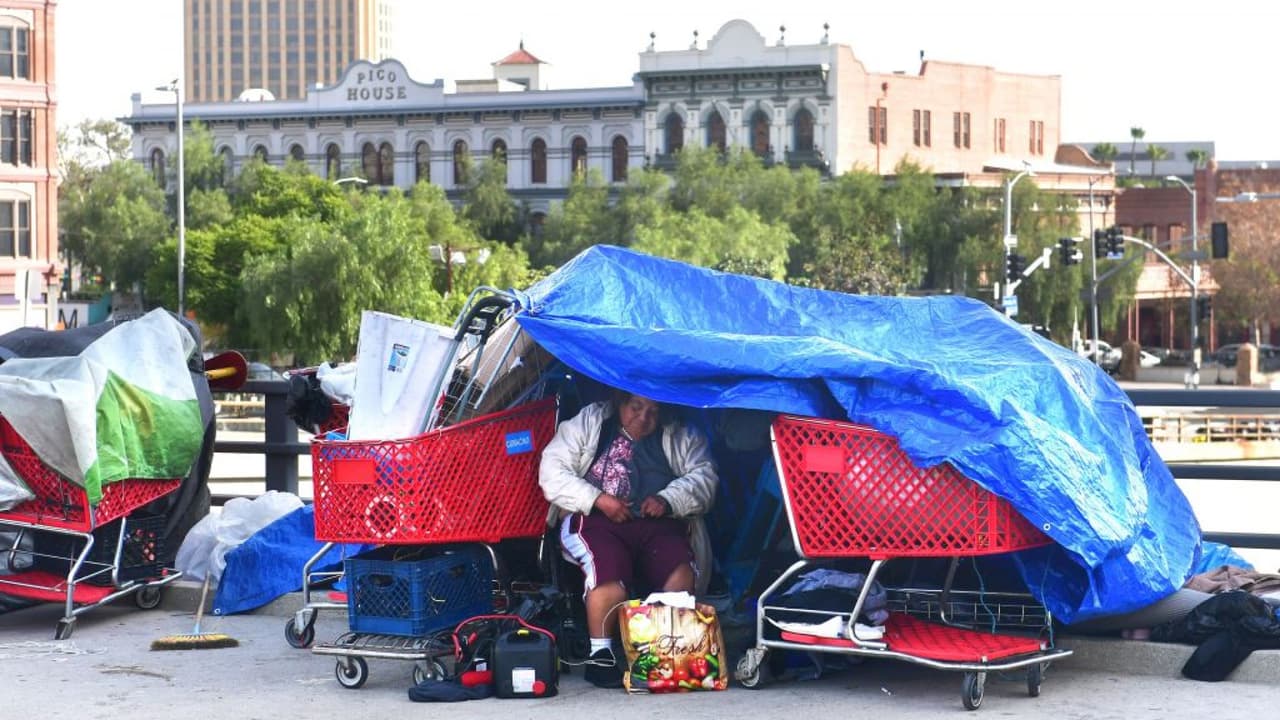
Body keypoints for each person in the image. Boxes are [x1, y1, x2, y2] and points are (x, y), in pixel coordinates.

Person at [539, 389, 718, 688]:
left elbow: (705, 477)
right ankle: (600, 655)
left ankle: (666, 655)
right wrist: (598, 499)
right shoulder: (590, 422)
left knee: (679, 570)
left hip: (657, 522)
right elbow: (552, 471)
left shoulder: (681, 434)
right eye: (636, 407)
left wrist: (667, 499)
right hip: (596, 519)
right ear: (620, 402)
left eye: (653, 411)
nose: (643, 417)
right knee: (607, 569)